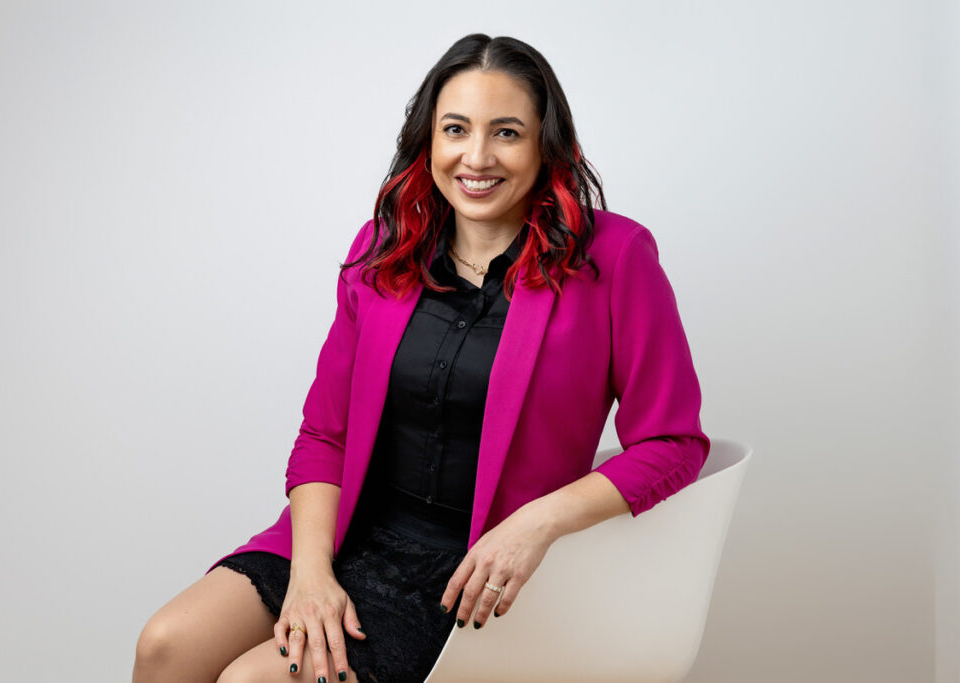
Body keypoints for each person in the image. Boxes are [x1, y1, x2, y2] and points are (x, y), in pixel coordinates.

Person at [133, 33, 709, 683]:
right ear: (428, 139)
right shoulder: (384, 248)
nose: (477, 155)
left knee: (252, 681)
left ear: (545, 144)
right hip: (341, 536)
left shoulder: (613, 258)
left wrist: (536, 522)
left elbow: (673, 442)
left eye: (507, 133)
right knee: (166, 645)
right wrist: (312, 575)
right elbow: (326, 434)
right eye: (456, 128)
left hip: (464, 576)